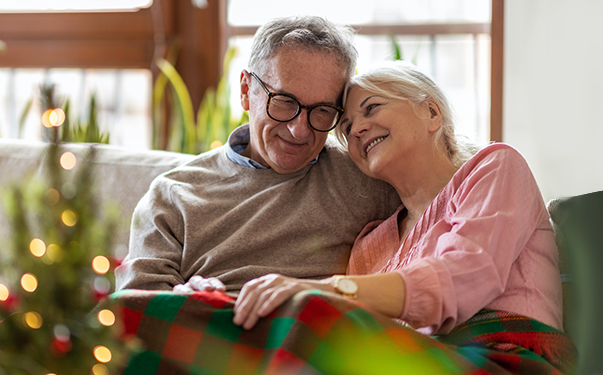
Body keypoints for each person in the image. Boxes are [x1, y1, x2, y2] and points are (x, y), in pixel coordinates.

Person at [230, 62, 565, 338]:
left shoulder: (495, 168)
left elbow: (461, 280)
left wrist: (329, 289)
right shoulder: (369, 247)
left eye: (371, 108)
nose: (357, 129)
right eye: (345, 128)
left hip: (505, 355)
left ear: (431, 112)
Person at [118, 16, 400, 292]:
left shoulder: (366, 178)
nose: (299, 130)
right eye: (284, 102)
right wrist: (182, 301)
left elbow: (439, 215)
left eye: (323, 111)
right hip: (208, 328)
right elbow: (137, 313)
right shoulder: (173, 195)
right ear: (245, 90)